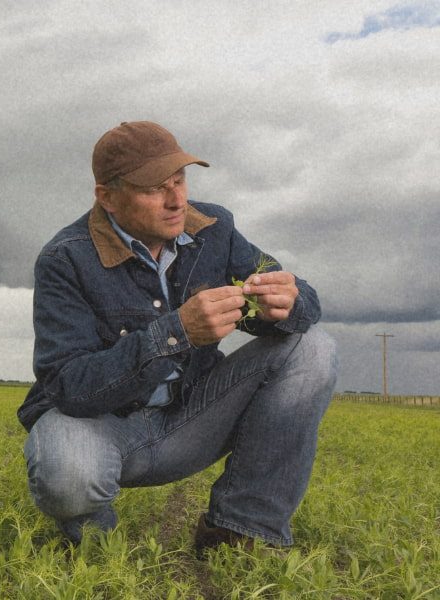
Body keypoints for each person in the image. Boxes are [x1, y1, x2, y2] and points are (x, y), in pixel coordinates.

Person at [18, 121, 337, 557]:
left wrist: (287, 302)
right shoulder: (64, 259)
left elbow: (292, 296)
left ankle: (241, 532)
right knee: (67, 470)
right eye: (154, 189)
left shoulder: (215, 228)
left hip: (193, 416)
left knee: (312, 346)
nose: (176, 200)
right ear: (106, 196)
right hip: (104, 428)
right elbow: (67, 385)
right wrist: (174, 333)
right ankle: (94, 545)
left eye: (180, 180)